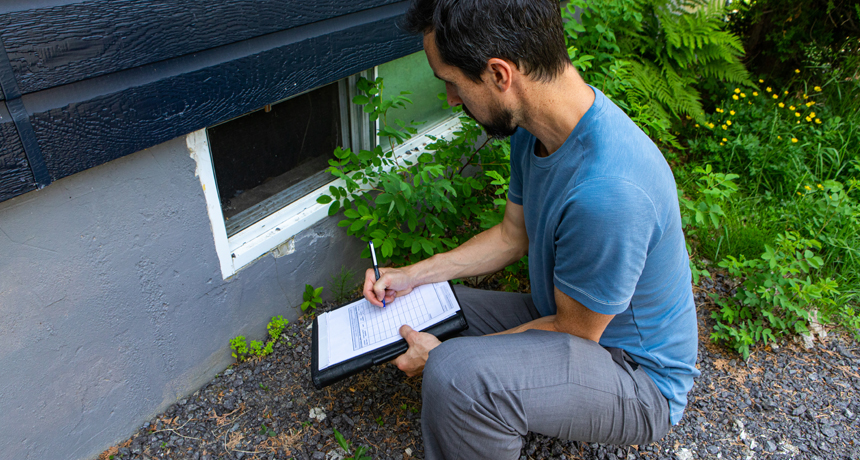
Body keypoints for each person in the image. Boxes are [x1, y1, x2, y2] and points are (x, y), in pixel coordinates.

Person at [362, 0, 700, 458]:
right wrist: (412, 276)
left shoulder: (609, 189)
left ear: (500, 75)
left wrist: (441, 356)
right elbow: (512, 236)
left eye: (453, 83)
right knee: (426, 304)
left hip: (635, 379)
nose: (451, 100)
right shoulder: (537, 129)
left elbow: (575, 331)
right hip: (569, 321)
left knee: (456, 375)